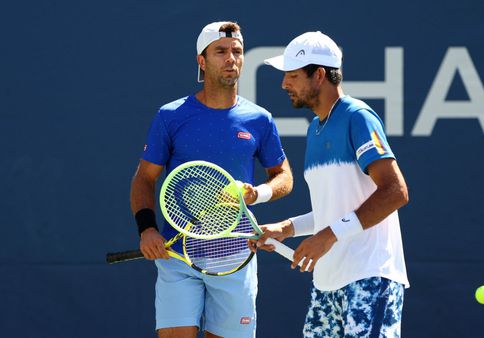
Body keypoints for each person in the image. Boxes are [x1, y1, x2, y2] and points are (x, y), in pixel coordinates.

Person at [130, 21, 293, 338]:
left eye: (237, 51)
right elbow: (144, 179)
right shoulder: (170, 116)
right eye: (220, 51)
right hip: (178, 255)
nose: (231, 58)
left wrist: (256, 194)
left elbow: (284, 176)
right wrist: (147, 228)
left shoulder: (260, 119)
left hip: (236, 254)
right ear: (201, 61)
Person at [255, 31, 410, 337]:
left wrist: (327, 236)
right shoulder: (315, 128)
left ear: (319, 75)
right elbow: (334, 210)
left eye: (293, 75)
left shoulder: (358, 118)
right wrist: (287, 228)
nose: (284, 84)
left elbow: (396, 192)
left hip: (370, 277)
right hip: (327, 286)